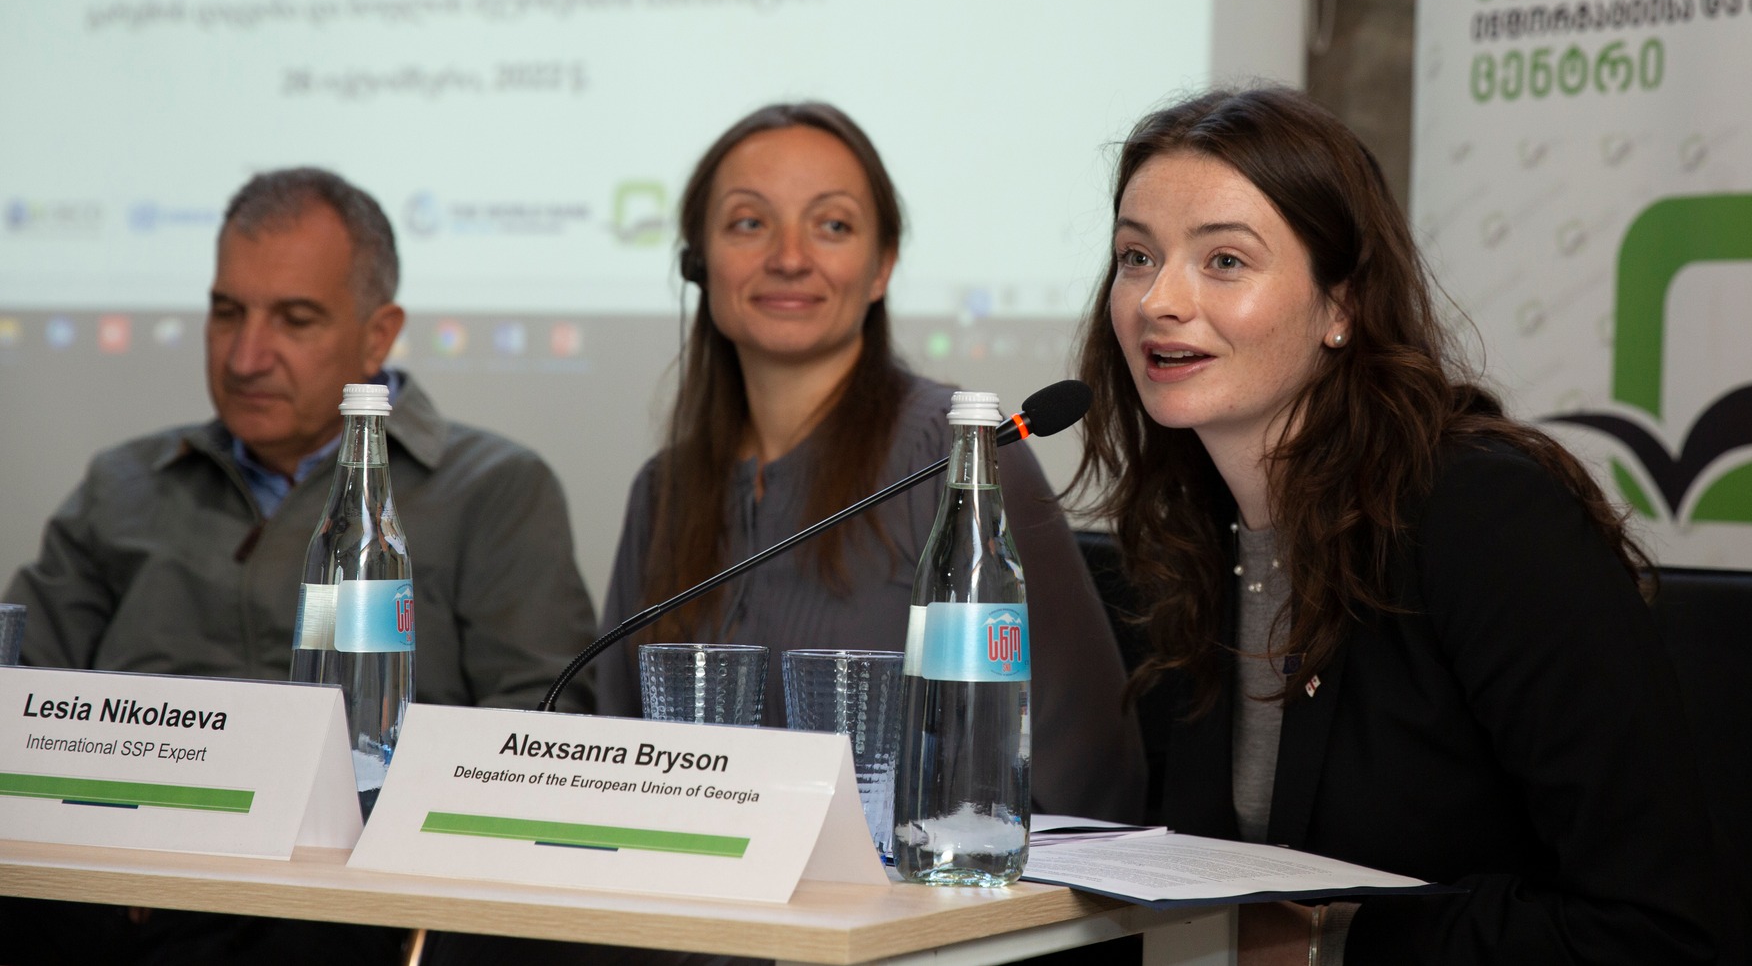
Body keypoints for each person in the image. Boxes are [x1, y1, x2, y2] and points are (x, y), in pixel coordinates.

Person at [1073, 88, 1749, 965]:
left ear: (1342, 304)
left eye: (1225, 260)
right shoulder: (1197, 531)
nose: (1159, 299)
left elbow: (1665, 928)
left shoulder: (1484, 516)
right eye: (1136, 256)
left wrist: (1335, 943)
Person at [2, 168, 598, 963]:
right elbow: (17, 692)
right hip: (116, 895)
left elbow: (540, 736)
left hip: (351, 907)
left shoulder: (492, 488)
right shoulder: (125, 483)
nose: (247, 355)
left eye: (295, 319)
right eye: (227, 312)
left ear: (378, 333)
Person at [594, 102, 1146, 822]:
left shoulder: (958, 457)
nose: (789, 257)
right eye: (749, 223)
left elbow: (1090, 778)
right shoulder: (663, 492)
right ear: (697, 261)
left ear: (882, 266)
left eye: (832, 225)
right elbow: (606, 753)